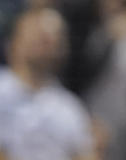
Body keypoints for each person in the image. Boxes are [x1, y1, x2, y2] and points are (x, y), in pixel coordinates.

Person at [0, 8, 97, 160]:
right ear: (14, 41)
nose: (46, 40)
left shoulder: (70, 109)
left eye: (54, 37)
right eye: (38, 33)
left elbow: (86, 155)